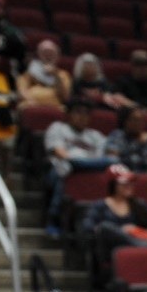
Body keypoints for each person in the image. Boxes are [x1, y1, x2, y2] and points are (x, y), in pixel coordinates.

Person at [42, 100, 111, 234]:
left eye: (86, 114)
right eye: (78, 112)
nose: (82, 117)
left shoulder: (95, 135)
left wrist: (84, 164)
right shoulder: (57, 128)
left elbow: (103, 159)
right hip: (61, 169)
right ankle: (54, 219)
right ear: (68, 115)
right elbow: (58, 152)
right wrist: (76, 161)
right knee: (64, 172)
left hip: (89, 170)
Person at [81, 164, 147, 253]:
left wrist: (136, 230)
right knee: (105, 228)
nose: (129, 186)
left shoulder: (140, 204)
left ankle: (141, 245)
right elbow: (88, 227)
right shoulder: (100, 206)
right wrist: (120, 231)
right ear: (113, 185)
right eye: (124, 183)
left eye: (131, 182)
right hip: (112, 249)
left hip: (138, 247)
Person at [105, 106, 147, 173]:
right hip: (125, 176)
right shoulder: (117, 135)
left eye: (141, 120)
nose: (139, 123)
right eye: (134, 120)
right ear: (125, 121)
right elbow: (112, 158)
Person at [16, 39, 72, 109]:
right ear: (39, 56)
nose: (48, 56)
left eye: (51, 53)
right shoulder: (31, 72)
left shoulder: (63, 74)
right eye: (45, 53)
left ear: (57, 56)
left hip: (55, 106)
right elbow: (22, 90)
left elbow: (65, 97)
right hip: (31, 104)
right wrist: (30, 101)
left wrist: (55, 75)